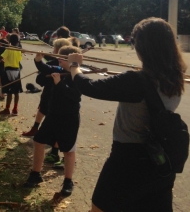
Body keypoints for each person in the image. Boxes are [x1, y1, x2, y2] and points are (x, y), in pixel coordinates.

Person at [68, 17, 187, 212]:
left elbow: (88, 86)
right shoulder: (176, 78)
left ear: (143, 47)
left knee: (99, 208)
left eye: (134, 42)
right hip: (161, 162)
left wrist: (74, 66)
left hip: (127, 160)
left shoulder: (135, 81)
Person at [23, 45, 82, 197]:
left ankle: (68, 181)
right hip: (53, 115)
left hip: (69, 118)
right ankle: (35, 174)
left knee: (68, 150)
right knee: (39, 141)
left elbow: (75, 96)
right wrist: (38, 58)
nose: (59, 61)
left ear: (71, 61)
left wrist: (59, 84)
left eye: (62, 59)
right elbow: (44, 66)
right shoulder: (59, 70)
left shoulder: (78, 76)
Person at [0, 33, 23, 116]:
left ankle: (7, 109)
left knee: (9, 92)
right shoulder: (18, 50)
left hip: (8, 71)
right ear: (17, 41)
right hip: (17, 71)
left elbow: (0, 58)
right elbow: (19, 60)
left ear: (9, 41)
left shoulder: (8, 49)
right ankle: (15, 109)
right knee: (16, 91)